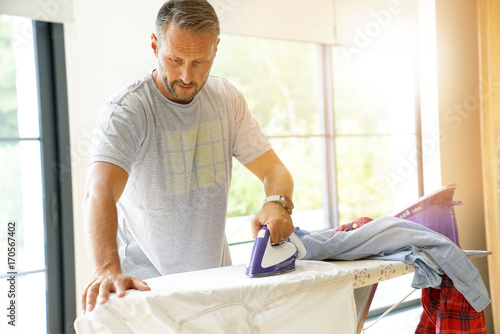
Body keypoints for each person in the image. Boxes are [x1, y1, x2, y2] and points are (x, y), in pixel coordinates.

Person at [81, 0, 295, 314]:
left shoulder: (226, 99)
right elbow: (99, 192)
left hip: (217, 286)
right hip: (147, 292)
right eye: (175, 59)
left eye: (199, 62)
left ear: (216, 50)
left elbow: (274, 169)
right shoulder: (127, 110)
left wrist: (276, 200)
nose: (186, 75)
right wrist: (106, 269)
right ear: (155, 45)